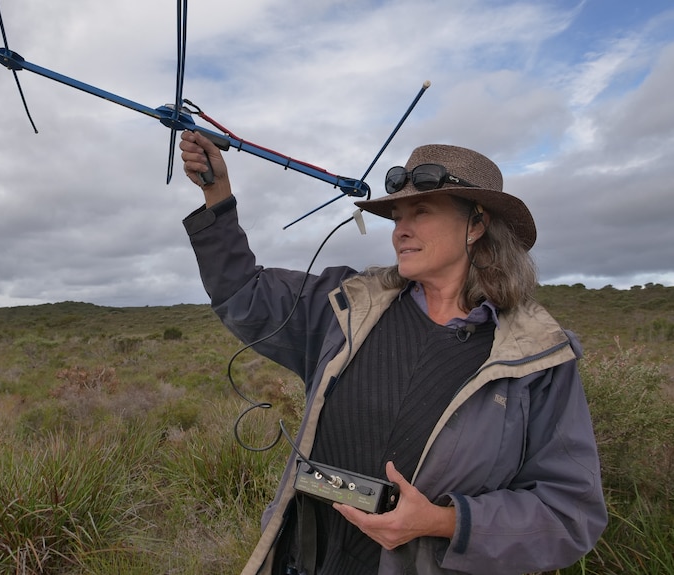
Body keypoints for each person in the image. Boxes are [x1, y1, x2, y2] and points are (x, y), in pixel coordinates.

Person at [178, 131, 607, 575]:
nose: (401, 230)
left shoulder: (536, 358)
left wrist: (445, 522)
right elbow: (244, 294)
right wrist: (217, 194)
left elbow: (568, 514)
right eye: (397, 216)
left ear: (476, 225)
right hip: (304, 562)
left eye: (421, 212)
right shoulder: (345, 306)